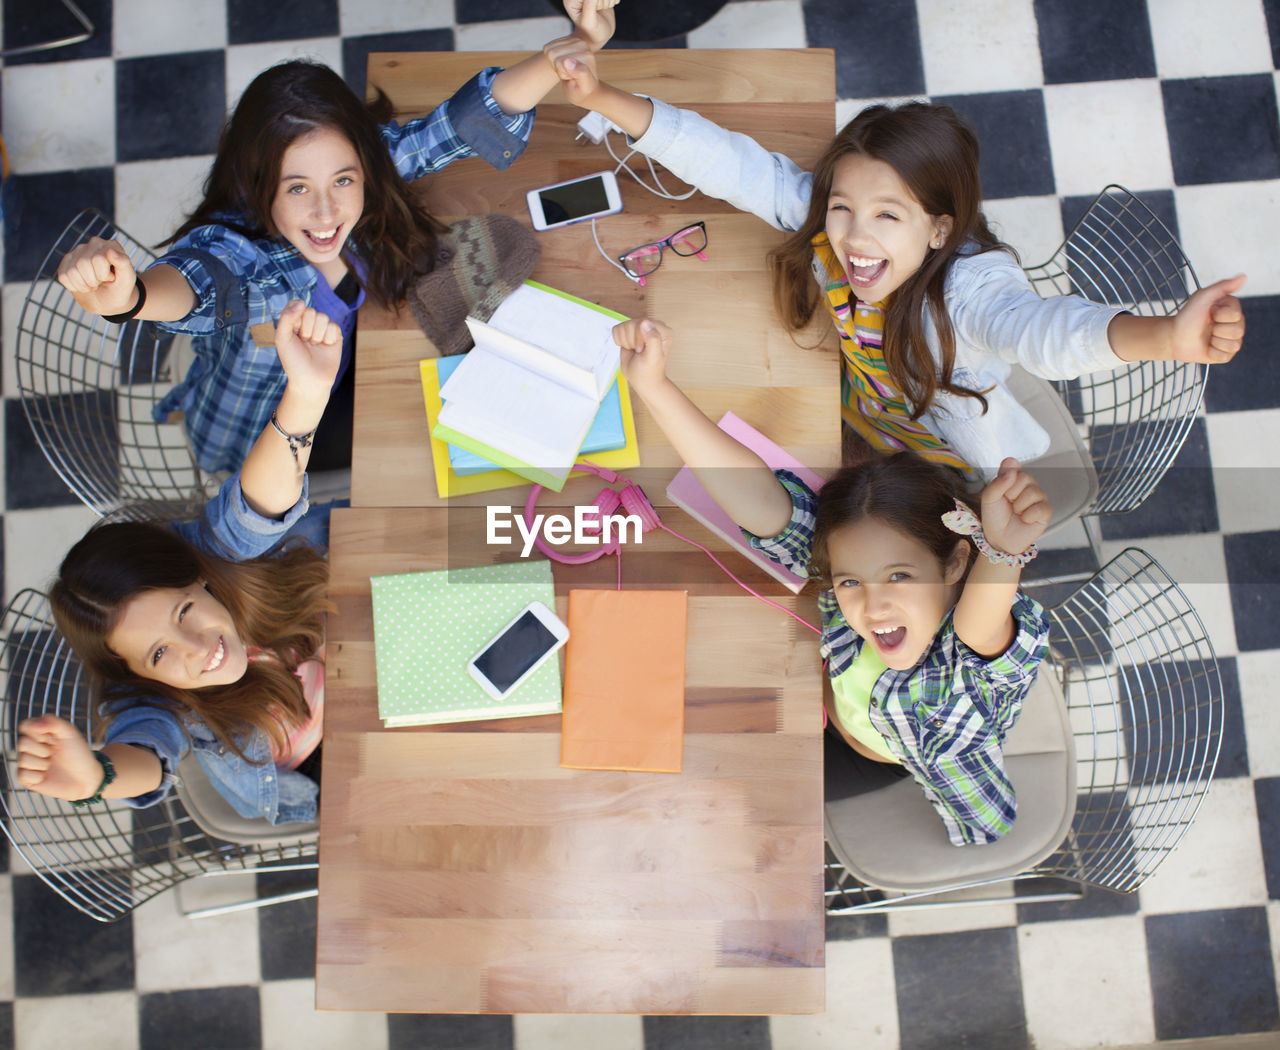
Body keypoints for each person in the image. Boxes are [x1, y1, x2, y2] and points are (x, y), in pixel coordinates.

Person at [552, 61, 1247, 476]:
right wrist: (601, 98)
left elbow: (1041, 332)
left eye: (889, 215)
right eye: (844, 206)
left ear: (939, 227)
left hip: (946, 452)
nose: (854, 236)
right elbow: (730, 163)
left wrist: (1163, 340)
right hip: (867, 406)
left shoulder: (969, 293)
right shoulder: (830, 227)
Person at [54, 0, 620, 476]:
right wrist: (129, 299)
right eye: (296, 188)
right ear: (257, 188)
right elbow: (198, 284)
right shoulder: (242, 254)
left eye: (343, 180)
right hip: (257, 431)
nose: (327, 212)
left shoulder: (369, 175)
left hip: (344, 362)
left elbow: (463, 121)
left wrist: (570, 46)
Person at [614, 317, 1053, 845]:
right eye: (848, 582)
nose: (873, 605)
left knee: (736, 789)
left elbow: (981, 628)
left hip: (885, 757)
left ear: (956, 565)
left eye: (899, 575)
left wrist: (1004, 553)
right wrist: (653, 386)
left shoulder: (970, 655)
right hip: (834, 700)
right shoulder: (849, 570)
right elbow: (758, 500)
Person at [15, 299, 346, 824]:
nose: (198, 650)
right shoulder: (151, 698)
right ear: (137, 673)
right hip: (327, 759)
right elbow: (148, 749)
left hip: (369, 643)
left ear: (199, 581)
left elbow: (256, 507)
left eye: (183, 614)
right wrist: (98, 777)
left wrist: (306, 396)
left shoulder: (215, 555)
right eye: (160, 653)